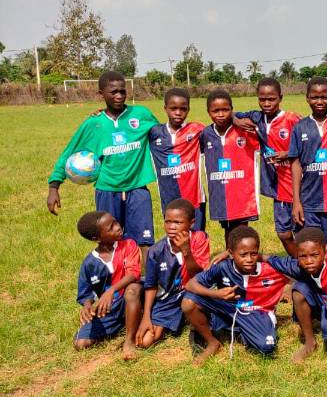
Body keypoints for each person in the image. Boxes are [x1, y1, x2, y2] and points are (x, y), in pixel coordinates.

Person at [48, 71, 158, 262]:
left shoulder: (141, 114)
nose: (119, 96)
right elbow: (69, 152)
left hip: (138, 189)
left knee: (145, 241)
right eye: (113, 92)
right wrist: (54, 186)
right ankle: (116, 282)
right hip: (107, 190)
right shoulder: (94, 124)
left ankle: (148, 285)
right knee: (110, 241)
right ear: (101, 94)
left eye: (122, 91)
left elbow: (164, 135)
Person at [258, 227, 327, 362]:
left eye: (314, 255)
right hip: (322, 303)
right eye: (303, 256)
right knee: (299, 290)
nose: (309, 261)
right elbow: (273, 259)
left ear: (324, 251)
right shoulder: (297, 266)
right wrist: (252, 255)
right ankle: (310, 343)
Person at [181, 225, 290, 364]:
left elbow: (297, 270)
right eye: (243, 255)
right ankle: (212, 342)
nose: (249, 259)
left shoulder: (270, 270)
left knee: (266, 348)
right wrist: (216, 294)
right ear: (231, 253)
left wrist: (263, 258)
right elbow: (191, 284)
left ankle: (240, 331)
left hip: (255, 312)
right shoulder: (222, 267)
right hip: (227, 308)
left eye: (254, 253)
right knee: (188, 302)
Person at [233, 78, 302, 256]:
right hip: (278, 189)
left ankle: (310, 270)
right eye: (262, 99)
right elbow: (230, 115)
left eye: (271, 99)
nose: (266, 103)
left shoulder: (292, 120)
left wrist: (287, 153)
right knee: (283, 233)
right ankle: (297, 264)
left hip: (298, 186)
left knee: (302, 233)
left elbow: (308, 147)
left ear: (280, 98)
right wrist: (237, 120)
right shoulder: (257, 118)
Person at [137, 198, 210, 348]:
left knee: (198, 309)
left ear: (191, 223)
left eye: (177, 222)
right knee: (146, 342)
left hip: (192, 292)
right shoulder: (155, 251)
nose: (171, 227)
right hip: (168, 298)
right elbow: (151, 286)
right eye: (167, 221)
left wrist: (186, 250)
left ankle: (194, 325)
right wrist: (146, 317)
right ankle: (167, 318)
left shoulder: (199, 238)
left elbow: (199, 274)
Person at [73, 211, 142, 361]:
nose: (118, 227)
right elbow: (85, 294)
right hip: (109, 309)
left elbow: (133, 274)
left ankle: (129, 341)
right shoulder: (89, 263)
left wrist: (111, 290)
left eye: (116, 222)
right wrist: (86, 306)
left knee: (132, 289)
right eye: (111, 228)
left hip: (130, 299)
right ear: (96, 238)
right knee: (81, 343)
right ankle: (124, 324)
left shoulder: (128, 245)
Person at [200, 89, 260, 243]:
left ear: (232, 110)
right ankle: (231, 261)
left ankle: (239, 261)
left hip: (242, 195)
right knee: (228, 230)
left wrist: (236, 118)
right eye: (216, 110)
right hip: (221, 194)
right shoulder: (205, 134)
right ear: (208, 112)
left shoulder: (244, 129)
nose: (221, 114)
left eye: (225, 110)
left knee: (240, 231)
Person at [148, 88, 207, 232]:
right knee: (174, 239)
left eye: (183, 109)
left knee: (196, 237)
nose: (178, 112)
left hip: (195, 199)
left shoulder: (197, 129)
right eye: (173, 108)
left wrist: (235, 117)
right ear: (165, 108)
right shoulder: (154, 132)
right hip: (169, 199)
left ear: (188, 109)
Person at [289, 77, 327, 242]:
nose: (320, 101)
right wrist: (296, 201)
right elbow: (295, 164)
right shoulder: (300, 127)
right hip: (309, 200)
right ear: (307, 98)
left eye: (325, 97)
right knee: (313, 246)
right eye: (315, 97)